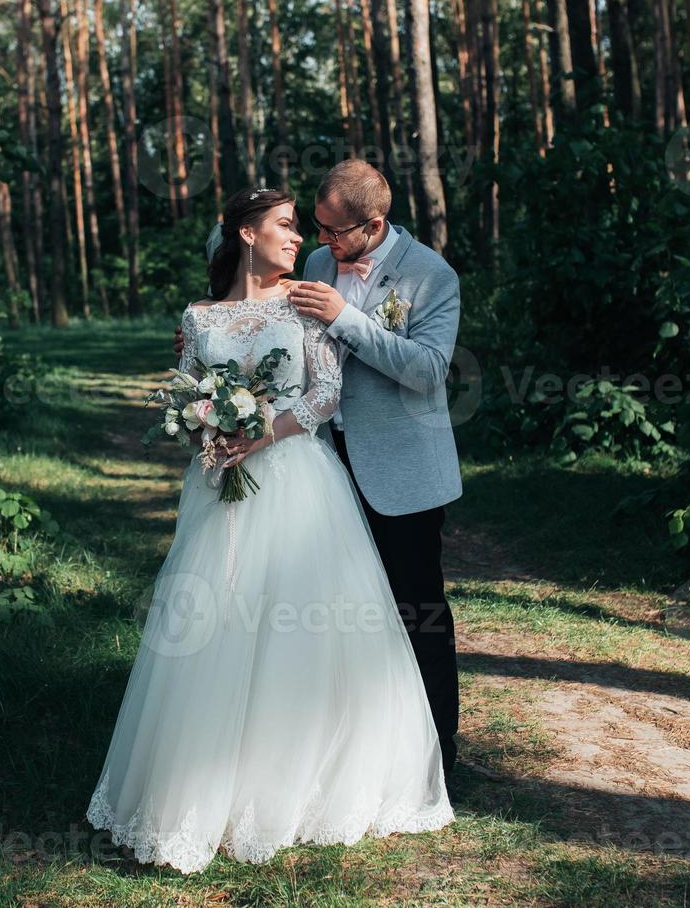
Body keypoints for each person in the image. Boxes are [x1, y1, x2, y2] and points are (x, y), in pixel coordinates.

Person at [88, 186, 452, 874]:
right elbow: (189, 389)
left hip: (300, 479)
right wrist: (205, 425)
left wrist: (260, 434)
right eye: (286, 226)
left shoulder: (305, 298)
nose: (300, 239)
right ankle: (209, 790)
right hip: (220, 489)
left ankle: (311, 781)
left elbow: (325, 392)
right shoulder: (198, 317)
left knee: (308, 632)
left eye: (302, 227)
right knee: (218, 627)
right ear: (246, 233)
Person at [170, 160, 464, 776]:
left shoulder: (430, 277)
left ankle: (436, 759)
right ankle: (344, 753)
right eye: (316, 229)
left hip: (401, 467)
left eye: (333, 232)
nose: (321, 243)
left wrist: (345, 318)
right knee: (342, 617)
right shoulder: (318, 265)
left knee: (416, 612)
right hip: (323, 461)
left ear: (373, 224)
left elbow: (428, 372)